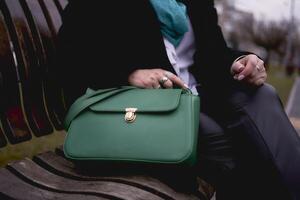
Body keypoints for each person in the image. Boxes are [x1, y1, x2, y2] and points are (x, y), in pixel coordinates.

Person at [54, 0, 300, 199]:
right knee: (234, 145)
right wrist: (128, 73)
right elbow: (69, 52)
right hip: (147, 109)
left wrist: (240, 61)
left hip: (198, 95)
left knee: (262, 94)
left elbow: (211, 52)